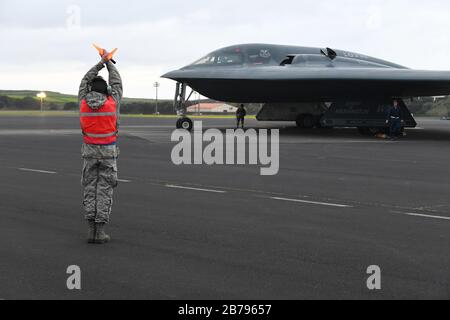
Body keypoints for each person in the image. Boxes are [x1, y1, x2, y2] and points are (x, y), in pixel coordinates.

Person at [78, 50, 123, 244]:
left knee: (89, 189)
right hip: (108, 153)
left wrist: (99, 63)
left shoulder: (82, 102)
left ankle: (90, 230)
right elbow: (117, 82)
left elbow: (83, 81)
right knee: (105, 190)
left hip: (89, 152)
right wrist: (109, 63)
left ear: (89, 90)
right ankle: (101, 231)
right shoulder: (113, 102)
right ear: (107, 90)